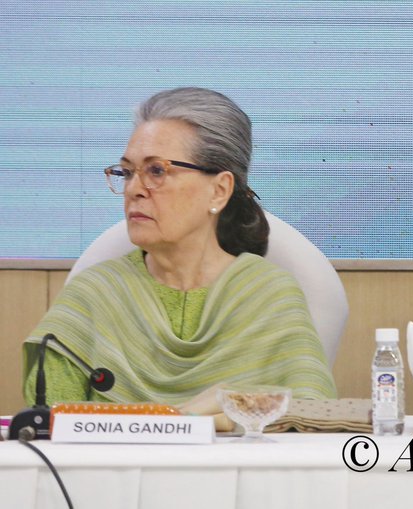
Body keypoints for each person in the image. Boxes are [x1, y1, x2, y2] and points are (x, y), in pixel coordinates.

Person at [22, 87, 337, 411]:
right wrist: (183, 419)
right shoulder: (92, 295)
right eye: (127, 172)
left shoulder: (270, 295)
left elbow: (309, 425)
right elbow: (51, 431)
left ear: (219, 190)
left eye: (156, 171)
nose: (133, 189)